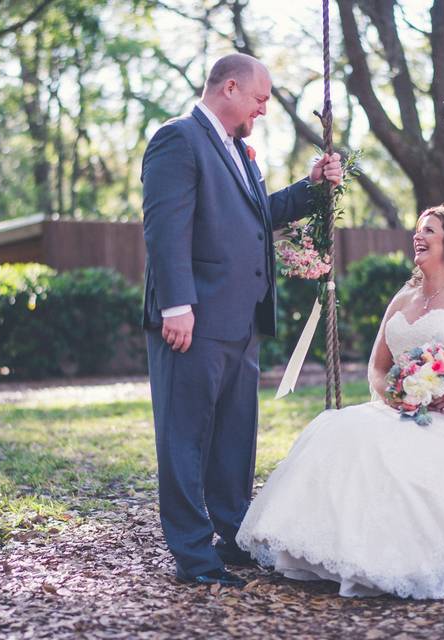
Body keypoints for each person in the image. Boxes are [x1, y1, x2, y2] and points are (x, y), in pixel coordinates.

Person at [140, 53, 343, 588]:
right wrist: (175, 305)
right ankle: (193, 556)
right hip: (193, 320)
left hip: (240, 322)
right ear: (230, 87)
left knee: (234, 438)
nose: (264, 110)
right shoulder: (177, 139)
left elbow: (259, 217)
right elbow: (165, 229)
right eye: (260, 99)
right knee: (185, 439)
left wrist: (311, 187)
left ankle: (232, 537)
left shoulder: (238, 153)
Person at [237, 205, 444, 598]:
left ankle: (385, 556)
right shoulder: (403, 298)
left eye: (429, 230)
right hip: (400, 409)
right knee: (335, 427)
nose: (419, 236)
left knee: (382, 448)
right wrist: (397, 396)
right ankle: (322, 550)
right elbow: (377, 369)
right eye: (417, 230)